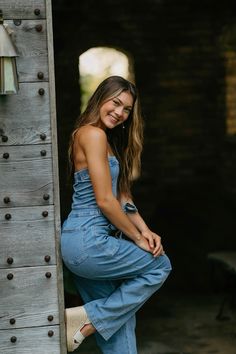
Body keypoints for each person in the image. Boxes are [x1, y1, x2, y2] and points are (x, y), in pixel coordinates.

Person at [61, 75, 172, 353]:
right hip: (89, 240)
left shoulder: (105, 140)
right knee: (159, 265)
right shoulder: (91, 134)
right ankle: (88, 321)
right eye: (116, 103)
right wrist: (135, 238)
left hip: (83, 243)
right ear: (100, 98)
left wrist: (145, 230)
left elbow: (123, 198)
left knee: (119, 322)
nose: (120, 113)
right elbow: (105, 201)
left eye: (127, 109)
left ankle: (91, 319)